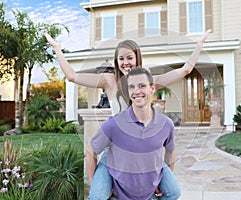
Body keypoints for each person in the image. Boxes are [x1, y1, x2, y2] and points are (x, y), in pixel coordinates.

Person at [44, 29, 211, 199]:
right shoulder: (109, 80)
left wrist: (199, 45)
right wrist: (57, 48)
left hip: (145, 152)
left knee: (172, 192)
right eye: (121, 58)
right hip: (116, 152)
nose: (125, 63)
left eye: (129, 58)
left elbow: (185, 70)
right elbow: (72, 76)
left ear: (137, 58)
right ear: (116, 61)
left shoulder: (148, 80)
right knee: (98, 196)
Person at [89, 68, 179, 199]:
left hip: (148, 178)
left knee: (173, 192)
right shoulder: (114, 124)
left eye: (142, 86)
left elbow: (171, 151)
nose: (136, 91)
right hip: (118, 175)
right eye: (132, 87)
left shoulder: (166, 124)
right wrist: (93, 183)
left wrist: (162, 179)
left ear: (152, 88)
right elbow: (91, 150)